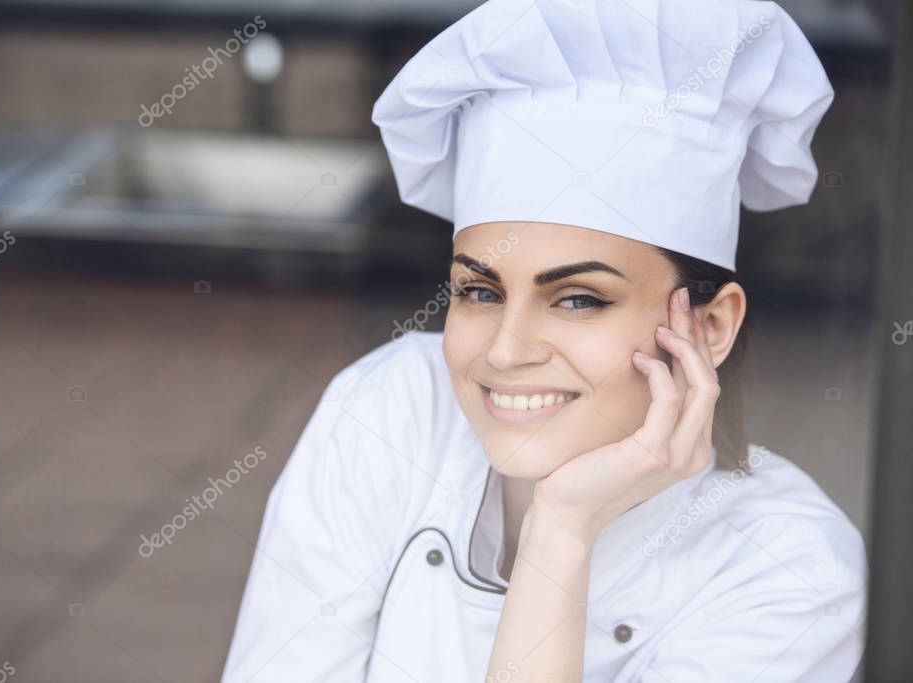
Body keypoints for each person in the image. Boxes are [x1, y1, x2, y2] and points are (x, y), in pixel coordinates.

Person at [220, 0, 868, 680]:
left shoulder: (790, 570)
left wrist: (561, 530)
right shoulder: (392, 409)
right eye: (480, 291)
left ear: (708, 328)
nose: (504, 350)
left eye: (579, 299)